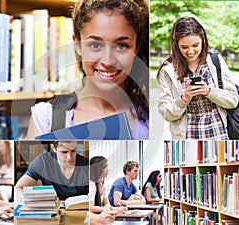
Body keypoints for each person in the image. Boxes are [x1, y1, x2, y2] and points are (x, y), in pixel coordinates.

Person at [27, 0, 149, 140]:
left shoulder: (152, 119)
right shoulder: (46, 118)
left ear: (137, 47)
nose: (107, 61)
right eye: (95, 45)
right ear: (77, 45)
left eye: (121, 46)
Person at [157, 16, 239, 140]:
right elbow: (166, 113)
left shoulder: (215, 61)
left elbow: (233, 100)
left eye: (195, 45)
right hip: (187, 140)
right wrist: (184, 98)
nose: (190, 51)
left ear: (203, 41)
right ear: (176, 45)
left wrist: (209, 91)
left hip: (219, 136)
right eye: (184, 47)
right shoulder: (167, 70)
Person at [14, 141, 89, 202]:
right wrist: (37, 203)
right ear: (53, 148)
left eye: (73, 151)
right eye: (64, 152)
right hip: (51, 212)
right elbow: (18, 189)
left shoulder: (87, 165)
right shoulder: (42, 162)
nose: (69, 157)